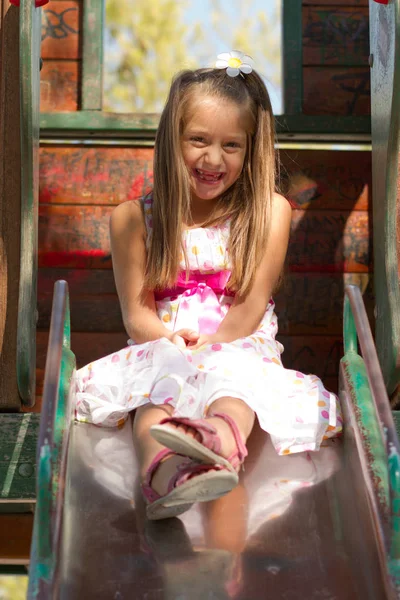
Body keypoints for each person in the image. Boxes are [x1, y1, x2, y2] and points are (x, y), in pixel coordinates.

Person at [75, 51, 343, 521]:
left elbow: (252, 304)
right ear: (172, 140)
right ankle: (161, 472)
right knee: (157, 386)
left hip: (239, 339)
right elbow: (138, 315)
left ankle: (220, 441)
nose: (213, 159)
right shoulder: (133, 219)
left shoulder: (269, 212)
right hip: (165, 340)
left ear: (250, 148)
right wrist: (173, 343)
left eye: (231, 145)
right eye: (197, 140)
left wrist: (214, 347)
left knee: (231, 376)